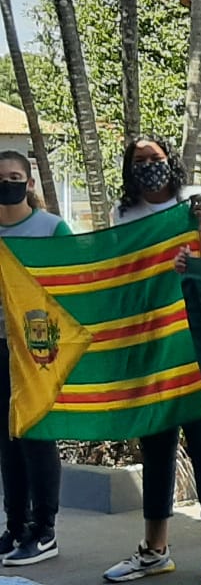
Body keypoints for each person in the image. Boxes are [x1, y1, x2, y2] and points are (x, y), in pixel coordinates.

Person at [103, 135, 201, 584]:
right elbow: (122, 278)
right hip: (150, 347)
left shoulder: (198, 201)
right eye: (138, 161)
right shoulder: (125, 215)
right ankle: (154, 549)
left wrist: (198, 229)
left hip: (195, 342)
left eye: (155, 158)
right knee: (156, 448)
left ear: (170, 160)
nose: (148, 167)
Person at [0, 151, 69, 567]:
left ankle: (45, 531)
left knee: (38, 439)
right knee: (7, 443)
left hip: (38, 350)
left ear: (28, 183)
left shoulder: (51, 228)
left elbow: (73, 284)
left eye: (14, 176)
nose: (6, 183)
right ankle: (16, 526)